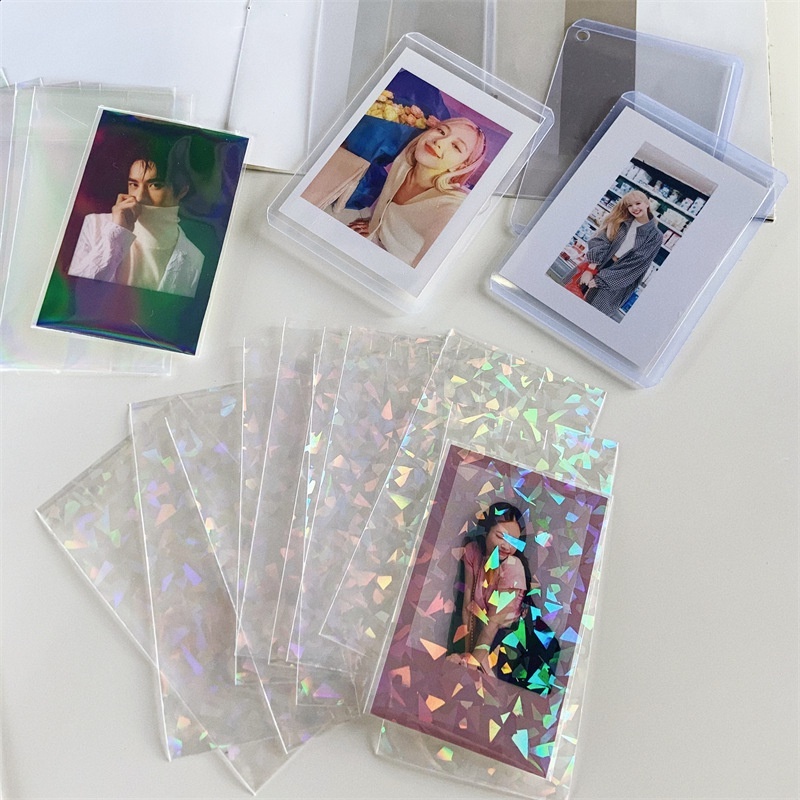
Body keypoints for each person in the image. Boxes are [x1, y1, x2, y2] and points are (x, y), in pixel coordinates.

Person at [67, 139, 204, 297]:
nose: (139, 197)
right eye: (134, 184)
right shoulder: (94, 225)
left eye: (155, 185)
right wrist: (117, 232)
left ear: (182, 191)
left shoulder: (195, 258)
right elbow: (75, 294)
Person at [447, 502, 559, 693]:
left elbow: (494, 623)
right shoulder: (472, 551)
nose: (507, 546)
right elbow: (468, 606)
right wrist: (467, 653)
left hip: (510, 644)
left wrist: (472, 661)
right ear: (486, 530)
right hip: (484, 636)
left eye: (514, 541)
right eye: (500, 536)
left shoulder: (513, 566)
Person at [348, 118, 487, 268]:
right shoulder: (404, 163)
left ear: (460, 167)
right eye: (441, 131)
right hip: (370, 242)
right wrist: (375, 225)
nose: (439, 141)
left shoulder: (451, 206)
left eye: (456, 146)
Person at [577, 189, 663, 318]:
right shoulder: (621, 221)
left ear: (647, 204)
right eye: (630, 205)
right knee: (571, 298)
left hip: (618, 277)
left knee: (590, 314)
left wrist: (602, 280)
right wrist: (591, 268)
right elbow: (600, 240)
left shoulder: (655, 236)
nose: (634, 208)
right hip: (599, 263)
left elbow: (637, 264)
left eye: (638, 203)